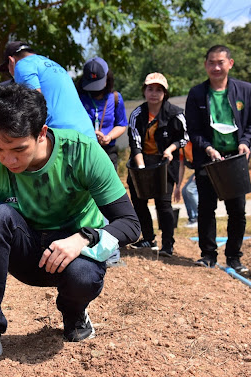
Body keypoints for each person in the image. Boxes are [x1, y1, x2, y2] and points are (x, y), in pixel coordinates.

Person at [0, 83, 140, 375]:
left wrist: (84, 237)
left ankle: (74, 312)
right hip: (25, 255)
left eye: (18, 149)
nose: (8, 160)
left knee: (83, 277)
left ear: (41, 133)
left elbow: (130, 224)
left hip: (74, 255)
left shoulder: (82, 153)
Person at [185, 45, 251, 273]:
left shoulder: (245, 90)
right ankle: (208, 255)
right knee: (206, 209)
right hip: (208, 159)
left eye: (220, 62)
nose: (216, 67)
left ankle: (234, 257)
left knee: (237, 210)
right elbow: (193, 130)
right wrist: (208, 148)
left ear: (230, 63)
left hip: (235, 160)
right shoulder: (196, 93)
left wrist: (245, 142)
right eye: (211, 63)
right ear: (205, 65)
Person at [127, 73, 188, 257]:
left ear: (165, 93)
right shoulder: (137, 114)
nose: (154, 93)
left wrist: (171, 149)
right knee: (139, 201)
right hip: (141, 161)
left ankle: (167, 244)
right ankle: (148, 238)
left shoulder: (176, 114)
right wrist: (141, 168)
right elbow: (135, 142)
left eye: (158, 90)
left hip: (165, 163)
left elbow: (184, 138)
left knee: (164, 204)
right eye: (150, 89)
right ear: (144, 91)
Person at [78, 56, 128, 267]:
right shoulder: (78, 97)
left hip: (107, 153)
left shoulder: (115, 98)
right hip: (83, 152)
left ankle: (111, 253)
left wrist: (108, 137)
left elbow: (122, 124)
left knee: (107, 201)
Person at [1, 41, 96, 141]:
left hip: (65, 138)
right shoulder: (54, 65)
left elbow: (33, 105)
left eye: (8, 70)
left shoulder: (22, 64)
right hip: (89, 136)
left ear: (11, 61)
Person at [177, 142, 198, 228]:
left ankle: (200, 217)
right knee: (184, 191)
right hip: (198, 169)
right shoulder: (181, 148)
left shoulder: (191, 142)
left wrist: (198, 172)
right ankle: (192, 219)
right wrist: (178, 186)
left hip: (204, 167)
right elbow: (181, 166)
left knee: (190, 189)